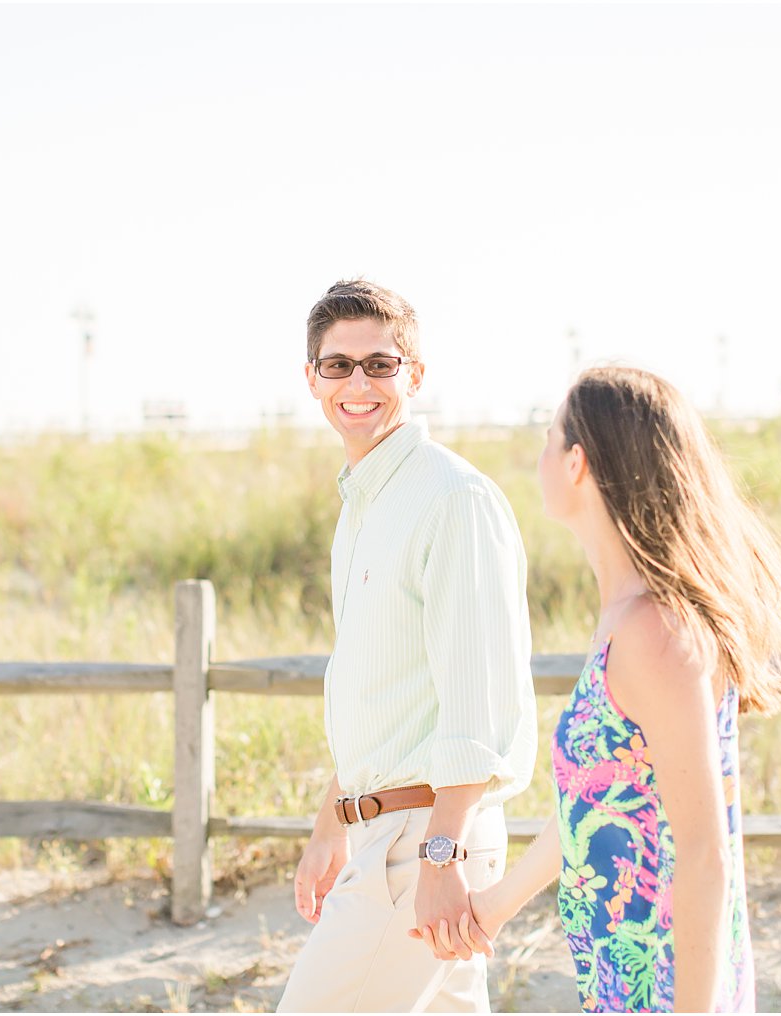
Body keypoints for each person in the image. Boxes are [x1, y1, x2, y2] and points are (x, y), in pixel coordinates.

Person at [450, 366, 781, 1013]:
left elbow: (702, 856)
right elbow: (606, 797)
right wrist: (495, 907)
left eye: (547, 439)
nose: (537, 458)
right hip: (622, 982)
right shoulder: (629, 617)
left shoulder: (654, 631)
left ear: (577, 462)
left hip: (668, 991)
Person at [276, 279, 538, 1013]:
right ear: (312, 379)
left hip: (424, 841)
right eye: (337, 366)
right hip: (384, 836)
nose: (358, 383)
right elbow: (384, 693)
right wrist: (334, 824)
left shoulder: (452, 499)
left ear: (414, 376)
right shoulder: (364, 504)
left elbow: (473, 698)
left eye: (380, 364)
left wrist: (441, 855)